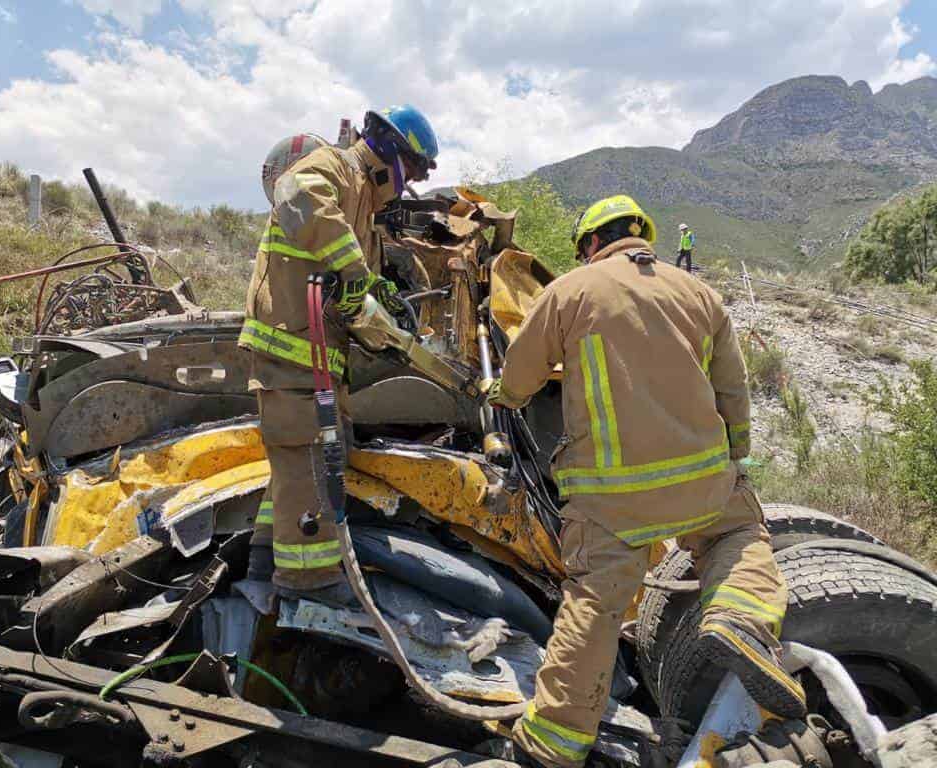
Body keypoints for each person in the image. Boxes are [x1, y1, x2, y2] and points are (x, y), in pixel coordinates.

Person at [488, 195, 804, 768]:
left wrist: (500, 397)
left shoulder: (570, 291)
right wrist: (736, 458)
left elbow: (520, 375)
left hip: (610, 497)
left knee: (594, 605)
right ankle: (739, 618)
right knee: (737, 536)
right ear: (642, 236)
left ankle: (554, 741)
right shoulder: (699, 294)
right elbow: (733, 389)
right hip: (700, 479)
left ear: (591, 243)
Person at [239, 106, 439, 605]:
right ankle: (311, 584)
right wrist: (354, 271)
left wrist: (379, 305)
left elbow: (354, 296)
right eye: (414, 170)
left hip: (314, 359)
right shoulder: (335, 166)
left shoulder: (362, 203)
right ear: (392, 150)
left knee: (296, 466)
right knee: (310, 462)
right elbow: (297, 192)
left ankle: (262, 559)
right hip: (291, 351)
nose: (411, 183)